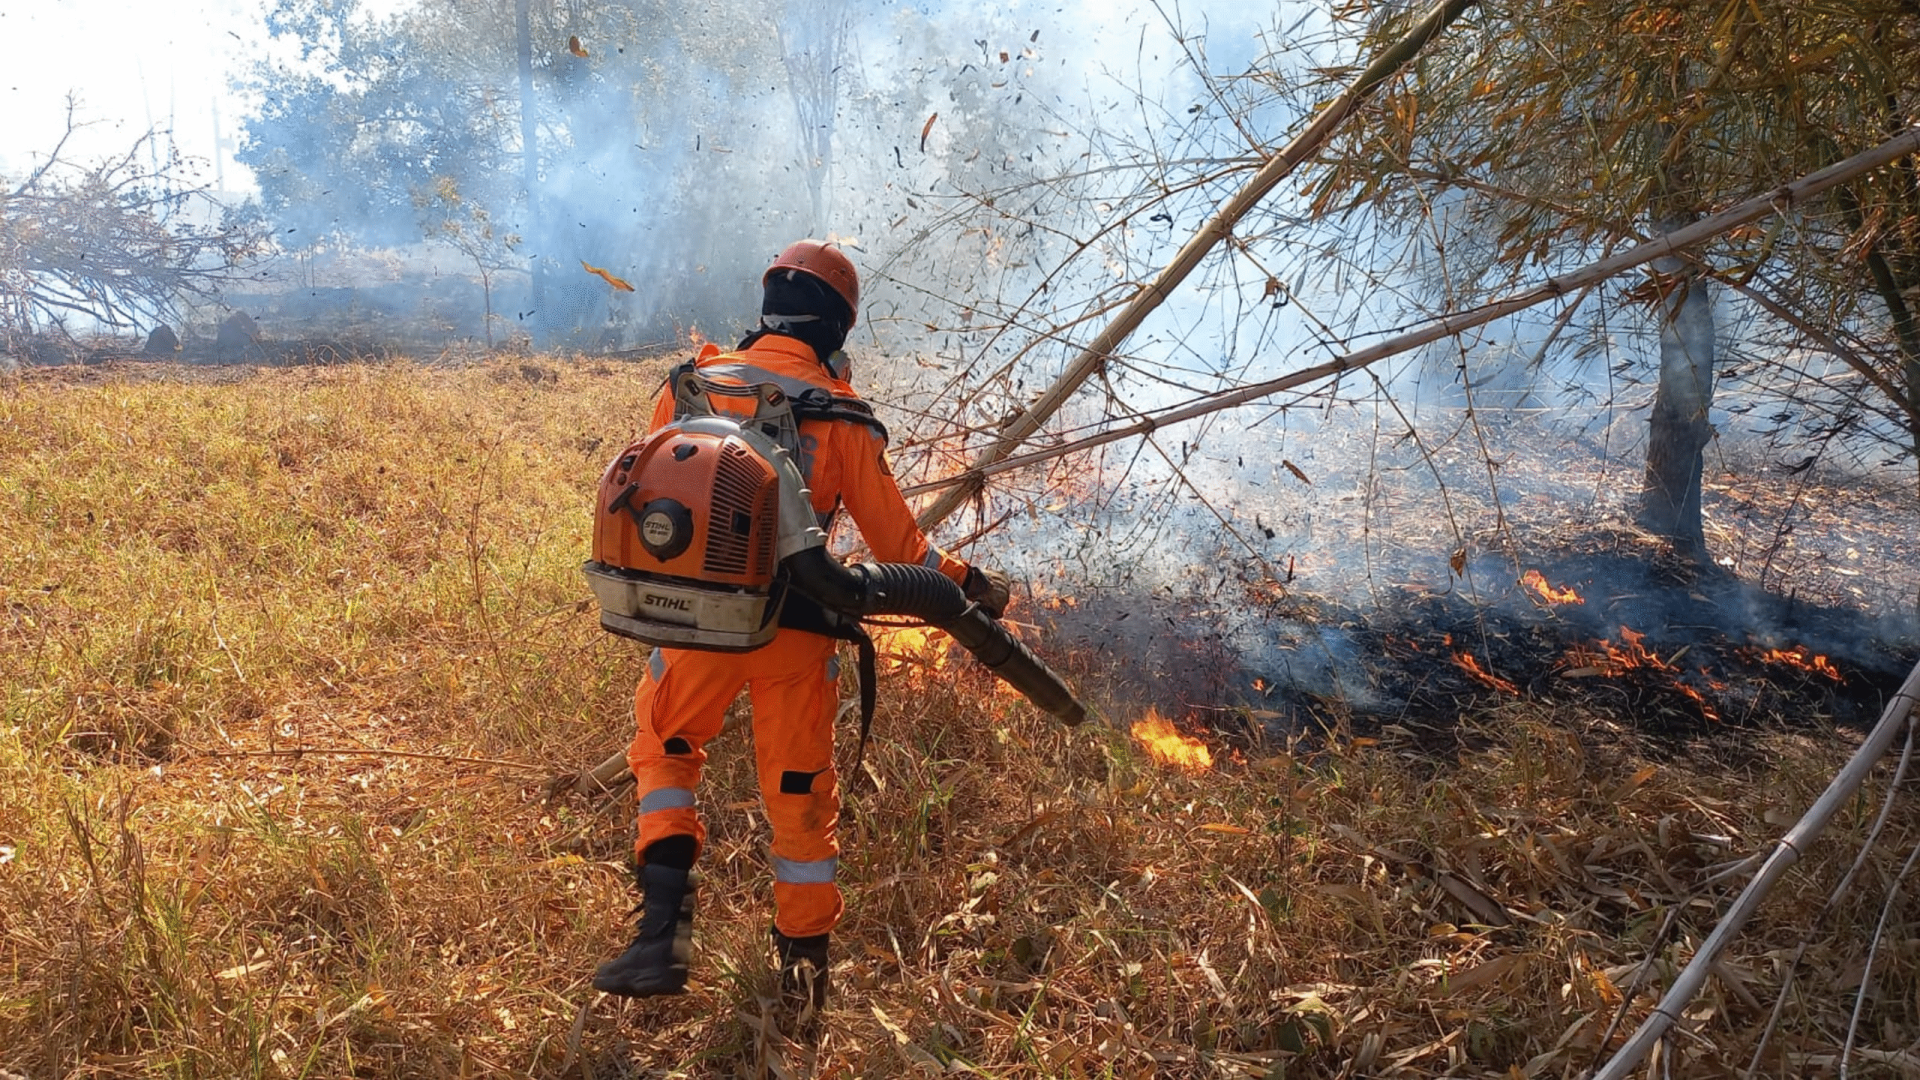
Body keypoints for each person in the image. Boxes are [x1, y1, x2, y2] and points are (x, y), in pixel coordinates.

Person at [591, 240, 1011, 1011]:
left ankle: (660, 938)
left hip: (696, 628)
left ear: (767, 309)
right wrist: (971, 587)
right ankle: (803, 984)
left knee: (667, 750)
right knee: (797, 796)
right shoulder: (845, 416)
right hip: (798, 634)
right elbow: (900, 551)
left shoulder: (690, 387)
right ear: (838, 328)